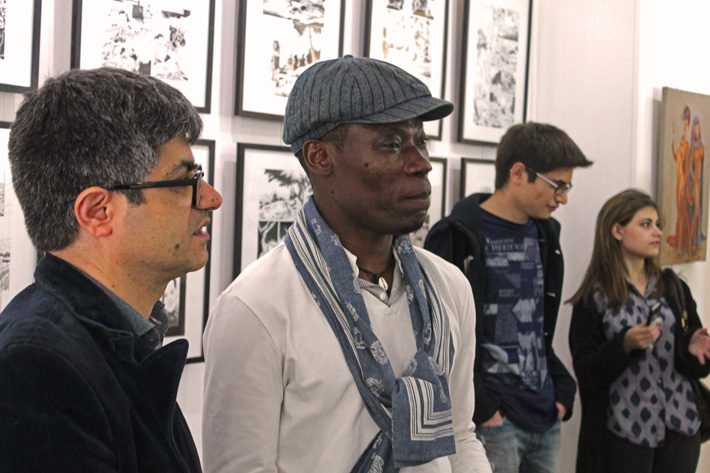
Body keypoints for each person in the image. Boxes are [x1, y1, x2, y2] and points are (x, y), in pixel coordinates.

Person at [202, 55, 492, 473]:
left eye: (420, 141)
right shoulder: (255, 309)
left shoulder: (447, 286)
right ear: (319, 156)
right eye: (391, 145)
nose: (422, 163)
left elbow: (460, 435)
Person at [0, 68, 223, 472]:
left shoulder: (112, 340)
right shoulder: (37, 369)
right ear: (98, 212)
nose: (211, 198)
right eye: (184, 181)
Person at [425, 122, 592, 472]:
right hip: (493, 421)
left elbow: (538, 325)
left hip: (544, 413)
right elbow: (438, 337)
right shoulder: (457, 236)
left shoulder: (546, 235)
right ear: (518, 173)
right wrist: (485, 408)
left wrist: (562, 389)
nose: (562, 198)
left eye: (567, 187)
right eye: (557, 185)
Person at [568, 189, 710, 473]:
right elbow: (586, 371)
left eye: (657, 224)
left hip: (680, 425)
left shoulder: (673, 287)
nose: (657, 232)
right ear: (617, 231)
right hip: (624, 431)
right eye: (646, 224)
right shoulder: (594, 297)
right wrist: (624, 345)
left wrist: (694, 349)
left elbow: (694, 365)